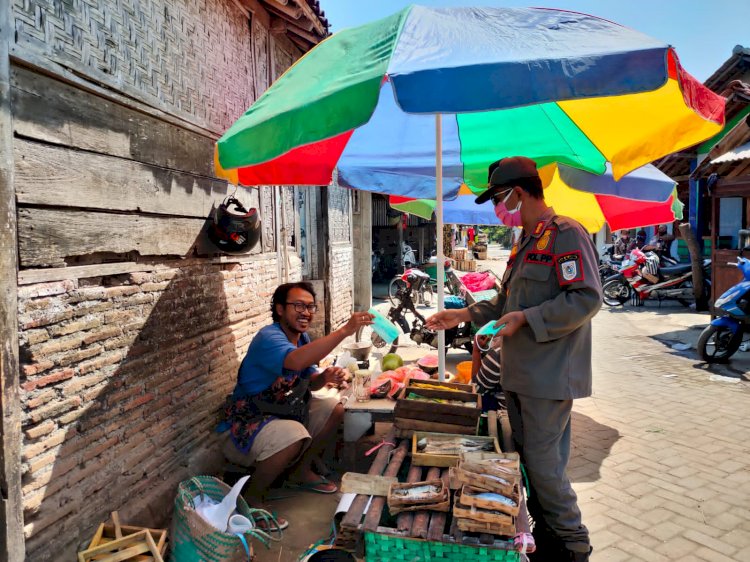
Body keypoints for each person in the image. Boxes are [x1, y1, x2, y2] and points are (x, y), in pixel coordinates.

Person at [426, 156, 602, 562]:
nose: (496, 209)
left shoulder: (565, 235)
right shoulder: (525, 242)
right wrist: (464, 314)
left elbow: (587, 298)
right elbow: (507, 302)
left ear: (519, 193)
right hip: (518, 374)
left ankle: (574, 546)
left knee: (545, 469)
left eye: (499, 199)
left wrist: (528, 318)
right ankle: (547, 539)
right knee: (527, 463)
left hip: (550, 376)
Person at [219, 282, 373, 530]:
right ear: (280, 309)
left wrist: (326, 377)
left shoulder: (302, 338)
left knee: (334, 407)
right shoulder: (268, 337)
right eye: (298, 305)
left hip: (283, 411)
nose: (306, 312)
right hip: (245, 425)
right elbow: (295, 361)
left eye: (310, 306)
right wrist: (345, 330)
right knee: (294, 434)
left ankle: (300, 472)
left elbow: (309, 381)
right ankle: (253, 499)